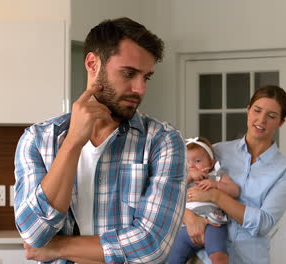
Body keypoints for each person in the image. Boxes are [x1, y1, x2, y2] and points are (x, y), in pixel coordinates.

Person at [13, 17, 187, 264]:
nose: (140, 89)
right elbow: (33, 233)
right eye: (129, 73)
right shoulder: (37, 140)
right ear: (93, 63)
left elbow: (151, 247)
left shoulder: (163, 142)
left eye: (146, 77)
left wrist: (56, 248)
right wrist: (73, 142)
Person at [184, 85, 286, 264]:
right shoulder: (218, 151)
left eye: (272, 116)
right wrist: (189, 217)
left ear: (281, 122)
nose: (261, 120)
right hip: (204, 257)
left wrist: (215, 195)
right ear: (248, 111)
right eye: (257, 111)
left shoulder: (285, 169)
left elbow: (263, 223)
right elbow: (178, 191)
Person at [168, 136, 240, 264]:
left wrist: (216, 185)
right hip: (185, 228)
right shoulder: (181, 178)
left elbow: (235, 191)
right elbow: (170, 194)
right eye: (187, 161)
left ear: (211, 163)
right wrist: (189, 178)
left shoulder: (216, 176)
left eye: (197, 161)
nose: (191, 165)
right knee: (172, 258)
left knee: (219, 257)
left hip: (213, 224)